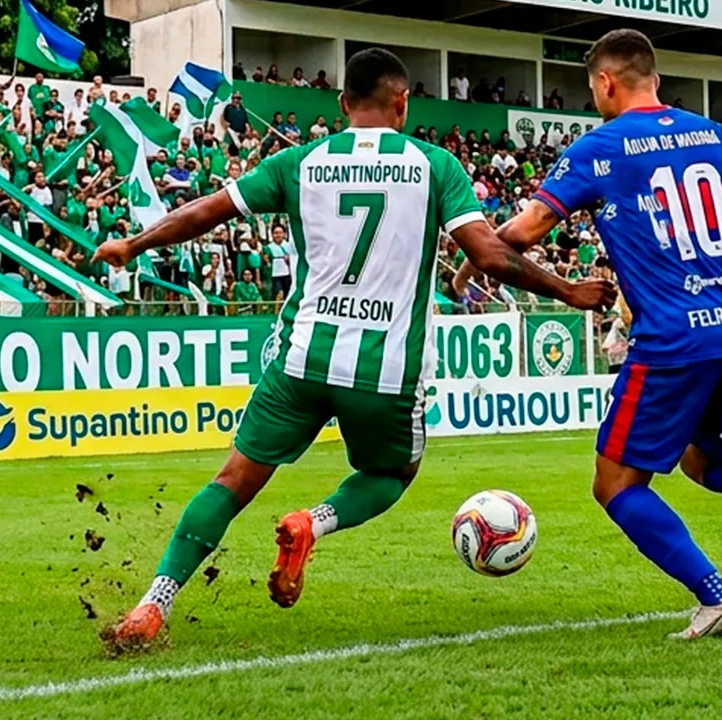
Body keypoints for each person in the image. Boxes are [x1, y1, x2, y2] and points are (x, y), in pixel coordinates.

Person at [94, 48, 615, 651]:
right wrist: (569, 290)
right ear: (403, 103)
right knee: (392, 472)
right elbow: (491, 254)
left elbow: (205, 211)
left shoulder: (299, 161)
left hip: (302, 359)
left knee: (232, 480)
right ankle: (311, 523)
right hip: (386, 371)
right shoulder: (435, 165)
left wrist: (133, 245)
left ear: (343, 105)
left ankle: (152, 605)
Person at [470, 29, 722, 639]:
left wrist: (471, 245)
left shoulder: (597, 148)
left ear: (605, 83)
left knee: (614, 484)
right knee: (707, 458)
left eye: (593, 89)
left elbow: (525, 232)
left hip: (672, 338)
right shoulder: (714, 136)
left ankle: (717, 596)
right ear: (654, 79)